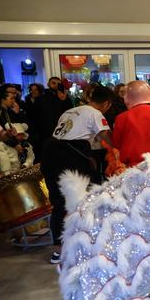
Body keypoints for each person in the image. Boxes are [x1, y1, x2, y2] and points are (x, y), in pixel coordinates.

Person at [41, 85, 114, 264]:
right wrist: (118, 147)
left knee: (58, 202)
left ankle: (58, 250)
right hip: (71, 155)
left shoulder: (70, 110)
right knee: (85, 199)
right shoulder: (95, 113)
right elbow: (106, 135)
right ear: (106, 104)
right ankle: (87, 243)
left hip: (50, 153)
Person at [36, 76, 74, 147]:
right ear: (48, 84)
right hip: (45, 130)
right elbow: (36, 114)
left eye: (58, 84)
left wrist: (64, 100)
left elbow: (70, 110)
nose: (56, 85)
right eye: (53, 83)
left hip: (60, 128)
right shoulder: (42, 97)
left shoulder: (63, 96)